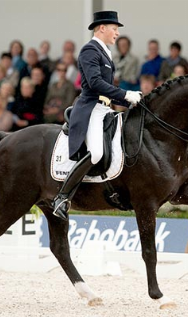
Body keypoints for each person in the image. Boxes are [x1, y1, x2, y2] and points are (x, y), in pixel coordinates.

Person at [52, 11, 142, 220]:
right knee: (95, 153)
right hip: (90, 108)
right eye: (114, 28)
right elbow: (95, 84)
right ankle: (62, 197)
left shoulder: (105, 52)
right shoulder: (89, 50)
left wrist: (132, 102)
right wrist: (126, 94)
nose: (117, 34)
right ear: (102, 28)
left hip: (104, 108)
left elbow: (108, 90)